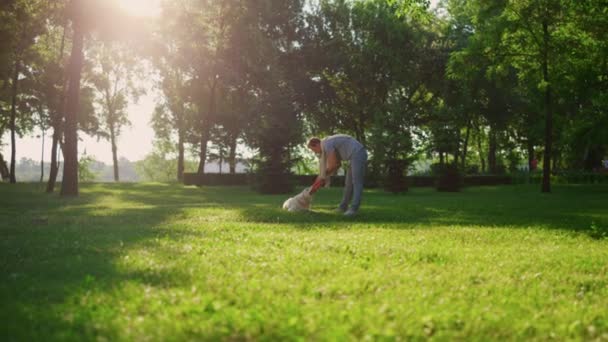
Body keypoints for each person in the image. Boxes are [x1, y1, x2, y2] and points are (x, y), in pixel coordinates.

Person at [307, 134, 368, 216]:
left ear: (317, 144)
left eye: (313, 150)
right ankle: (343, 207)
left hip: (358, 153)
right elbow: (338, 164)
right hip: (353, 156)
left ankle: (354, 209)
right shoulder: (326, 143)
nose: (315, 152)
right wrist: (322, 177)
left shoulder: (327, 144)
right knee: (348, 184)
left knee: (357, 182)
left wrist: (322, 177)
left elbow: (333, 164)